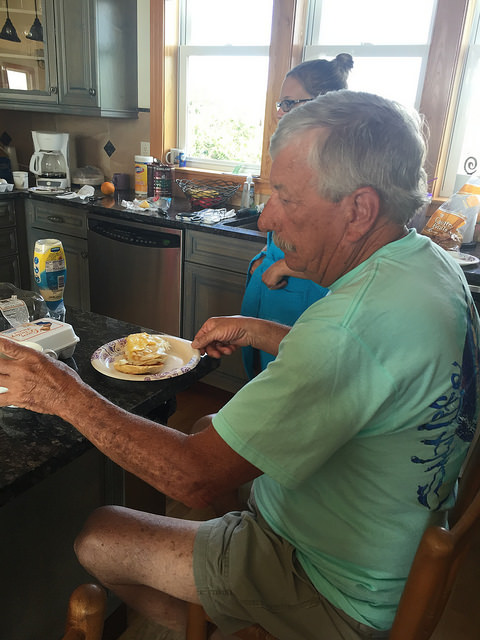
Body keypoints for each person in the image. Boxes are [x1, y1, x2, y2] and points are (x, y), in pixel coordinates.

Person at [0, 91, 478, 640]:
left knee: (98, 536)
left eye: (286, 197)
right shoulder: (429, 265)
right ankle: (231, 589)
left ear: (359, 210)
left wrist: (60, 391)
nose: (267, 218)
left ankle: (240, 628)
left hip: (332, 583)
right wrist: (263, 332)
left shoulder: (349, 327)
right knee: (208, 425)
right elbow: (379, 366)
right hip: (394, 535)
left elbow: (193, 478)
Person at [241, 53, 353, 378]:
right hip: (275, 288)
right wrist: (266, 256)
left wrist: (284, 266)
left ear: (323, 103)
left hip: (303, 293)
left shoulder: (339, 164)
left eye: (289, 103)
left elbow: (347, 248)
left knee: (293, 376)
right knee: (262, 377)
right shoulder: (297, 152)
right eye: (281, 103)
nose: (279, 112)